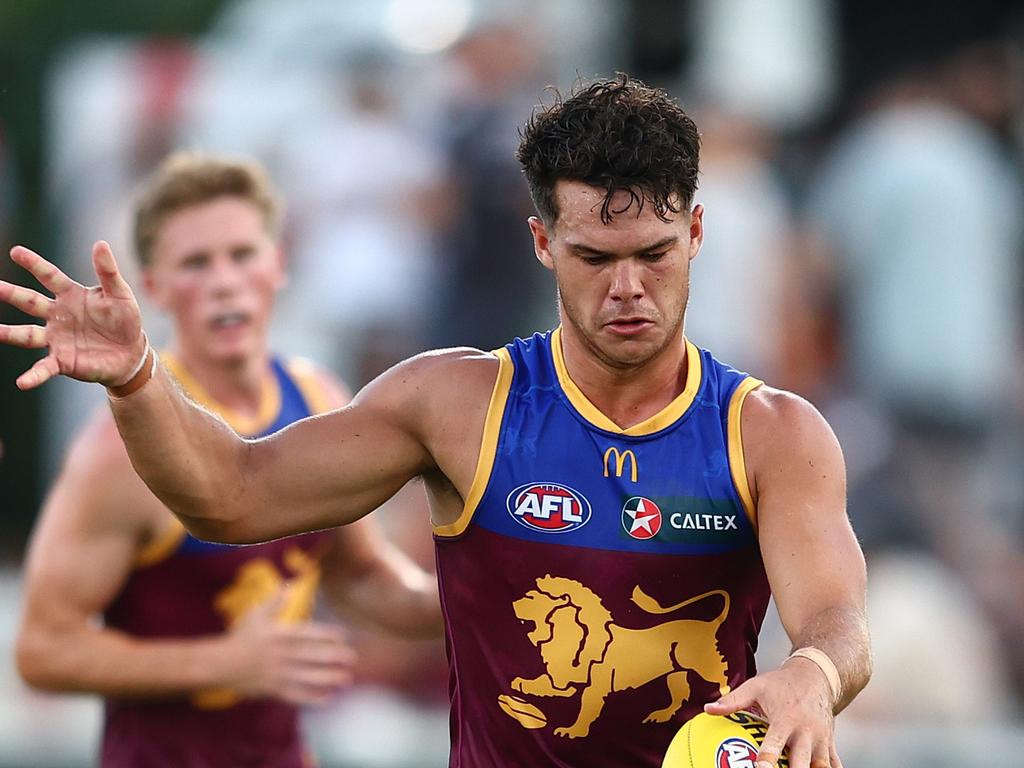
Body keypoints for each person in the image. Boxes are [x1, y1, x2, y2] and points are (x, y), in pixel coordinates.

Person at [1, 76, 870, 768]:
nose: (628, 288)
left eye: (654, 253)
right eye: (594, 259)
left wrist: (810, 672)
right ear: (541, 243)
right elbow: (231, 496)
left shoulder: (771, 433)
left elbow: (836, 615)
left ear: (698, 233)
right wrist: (138, 377)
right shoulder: (455, 405)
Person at [10, 153, 442, 768]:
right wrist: (224, 663)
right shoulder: (116, 452)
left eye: (241, 254)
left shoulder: (318, 398)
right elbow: (42, 652)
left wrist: (470, 594)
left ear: (278, 263)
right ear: (152, 289)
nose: (223, 281)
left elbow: (360, 575)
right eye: (195, 263)